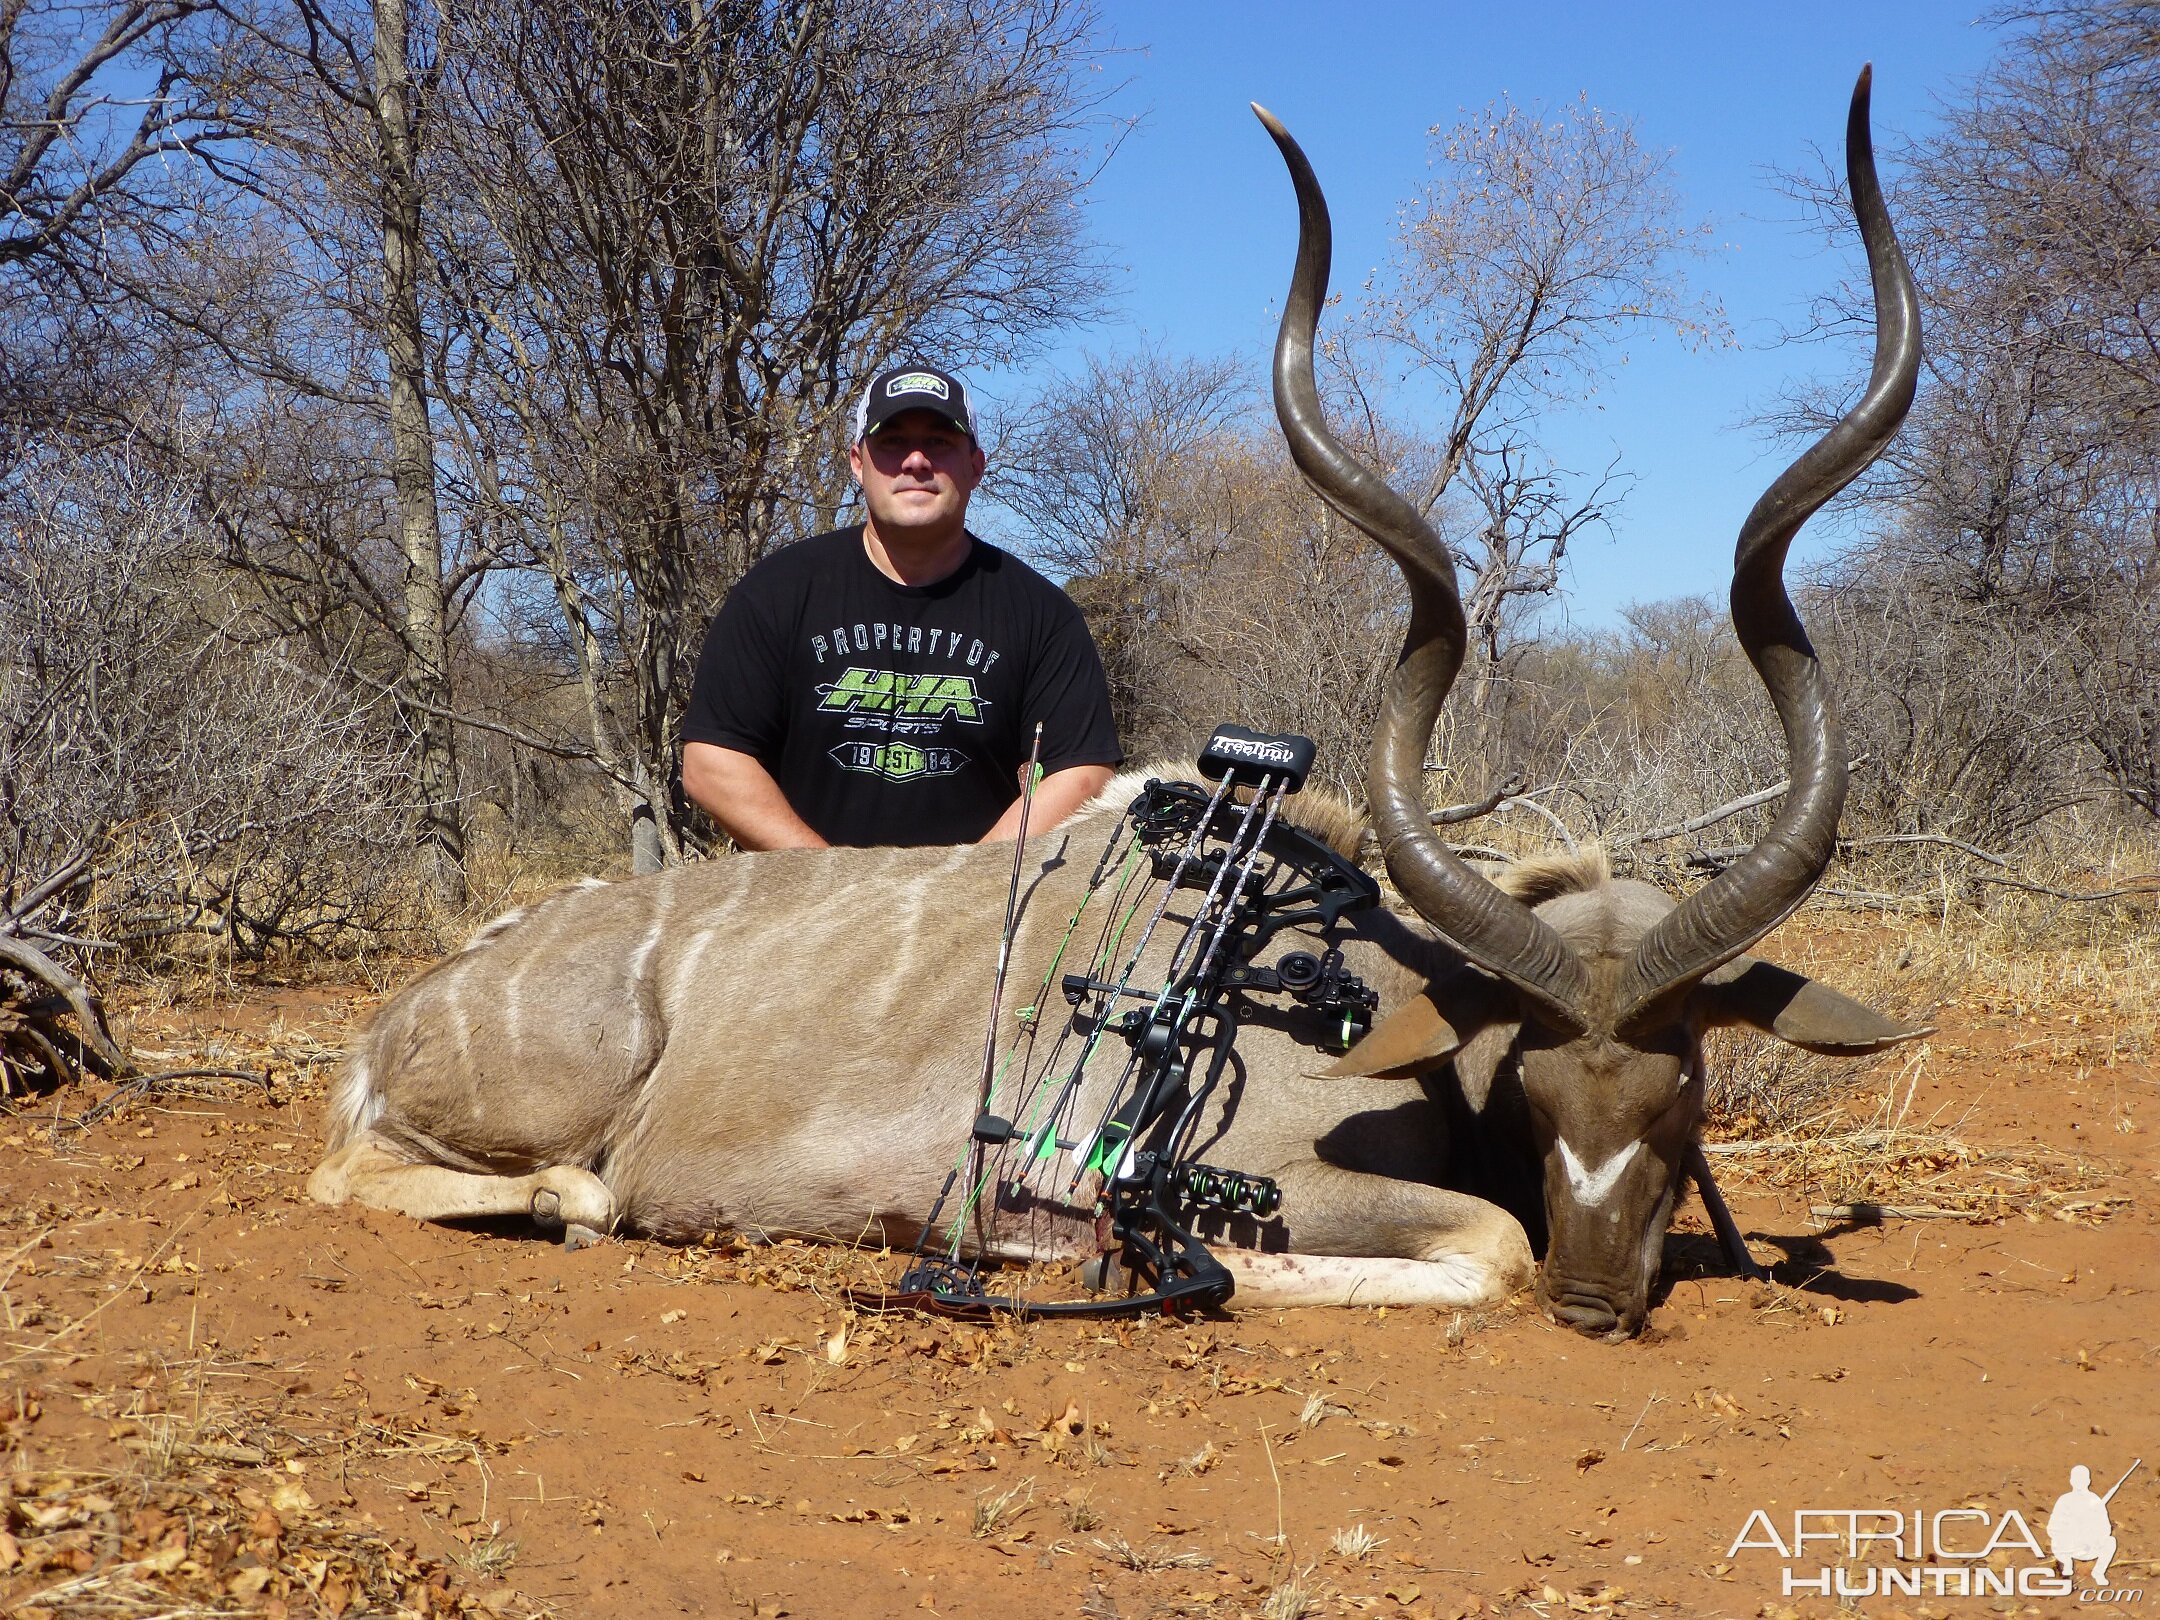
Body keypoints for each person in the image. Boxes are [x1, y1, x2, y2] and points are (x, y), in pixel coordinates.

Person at [681, 363, 1122, 849]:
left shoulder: (1042, 613)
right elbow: (711, 762)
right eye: (891, 442)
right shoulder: (777, 591)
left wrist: (958, 890)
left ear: (975, 466)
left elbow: (1080, 770)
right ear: (857, 462)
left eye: (939, 442)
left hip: (974, 910)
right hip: (802, 910)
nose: (915, 461)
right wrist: (834, 886)